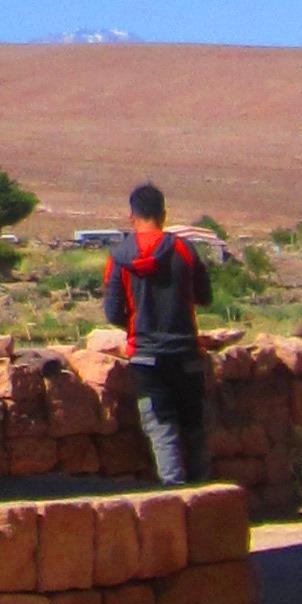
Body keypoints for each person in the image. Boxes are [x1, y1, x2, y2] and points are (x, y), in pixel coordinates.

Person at [101, 183, 214, 487]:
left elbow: (112, 312)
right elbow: (205, 296)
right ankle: (205, 498)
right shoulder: (183, 250)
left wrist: (139, 326)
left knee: (162, 430)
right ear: (163, 215)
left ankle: (175, 496)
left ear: (131, 217)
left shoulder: (119, 256)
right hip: (186, 355)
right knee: (194, 428)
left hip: (145, 358)